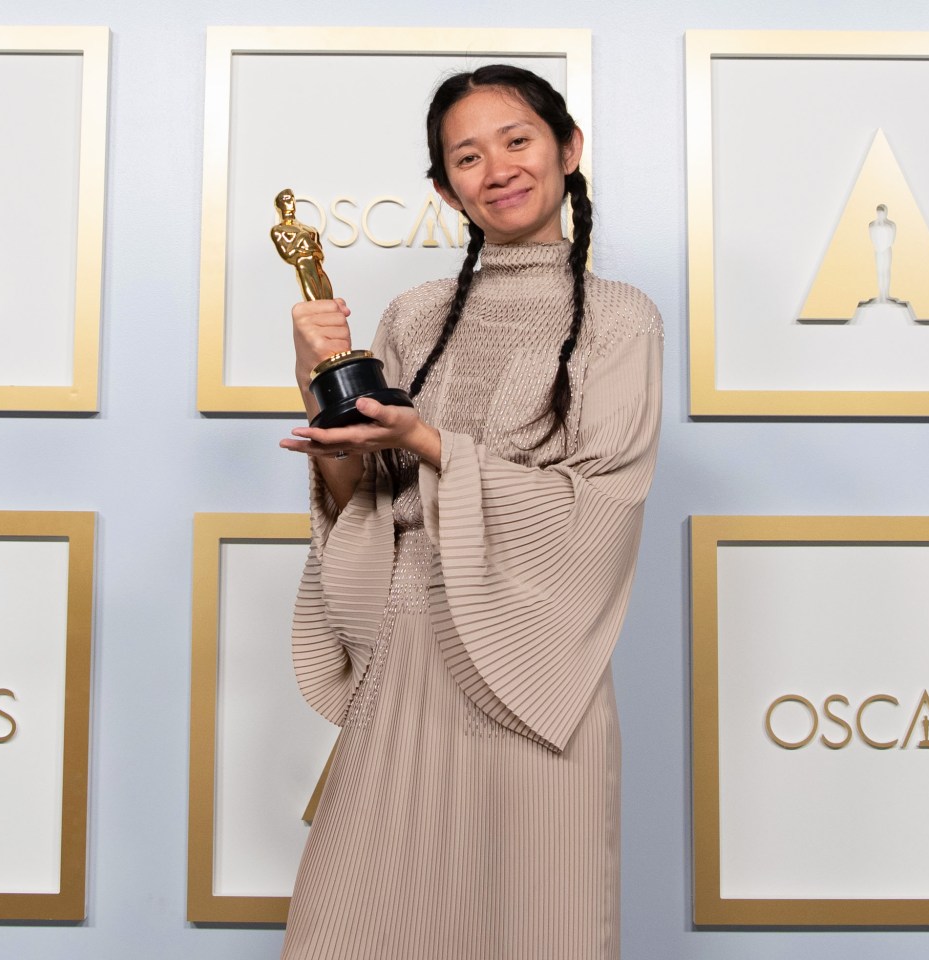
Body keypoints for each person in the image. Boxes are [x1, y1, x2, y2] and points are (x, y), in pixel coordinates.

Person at [278, 64, 663, 960]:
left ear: (568, 149)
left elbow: (599, 512)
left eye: (517, 140)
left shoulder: (622, 320)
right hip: (406, 659)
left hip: (537, 674)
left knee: (530, 925)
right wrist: (314, 385)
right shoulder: (413, 316)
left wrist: (428, 441)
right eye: (467, 156)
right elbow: (367, 504)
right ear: (446, 188)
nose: (498, 169)